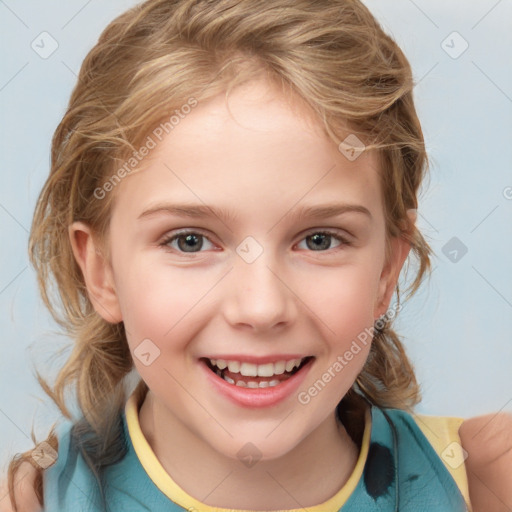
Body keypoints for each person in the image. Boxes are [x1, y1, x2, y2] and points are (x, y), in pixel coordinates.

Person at [2, 0, 511, 511]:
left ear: (386, 270)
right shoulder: (34, 502)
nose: (261, 307)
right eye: (190, 241)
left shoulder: (489, 481)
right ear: (102, 272)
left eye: (319, 240)